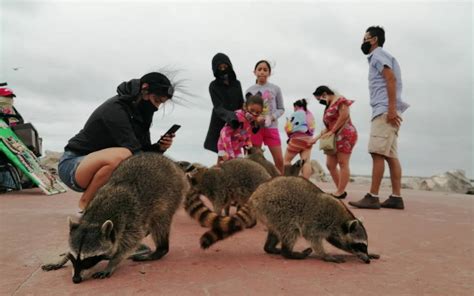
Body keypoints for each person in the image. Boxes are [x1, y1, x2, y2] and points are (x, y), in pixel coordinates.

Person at [58, 72, 176, 210]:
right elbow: (134, 151)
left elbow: (142, 152)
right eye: (156, 101)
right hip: (72, 165)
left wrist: (159, 148)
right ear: (144, 89)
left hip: (97, 167)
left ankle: (104, 204)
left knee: (129, 159)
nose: (156, 107)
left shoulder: (141, 114)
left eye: (160, 104)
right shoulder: (115, 109)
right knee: (124, 155)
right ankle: (86, 203)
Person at [349, 26, 409, 210]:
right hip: (388, 109)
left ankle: (373, 196)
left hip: (384, 110)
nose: (363, 41)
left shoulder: (377, 56)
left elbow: (390, 79)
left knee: (377, 153)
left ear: (373, 39)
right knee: (391, 155)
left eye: (365, 38)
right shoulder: (381, 56)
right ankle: (396, 197)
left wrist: (390, 109)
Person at [312, 86, 358, 199]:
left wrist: (332, 131)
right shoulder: (328, 106)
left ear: (324, 94)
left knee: (343, 162)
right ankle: (340, 190)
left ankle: (340, 191)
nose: (320, 102)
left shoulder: (340, 100)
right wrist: (316, 138)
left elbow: (344, 116)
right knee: (330, 164)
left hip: (345, 134)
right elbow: (328, 127)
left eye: (319, 99)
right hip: (333, 136)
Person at [204, 53, 245, 164]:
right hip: (220, 121)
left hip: (237, 123)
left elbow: (241, 102)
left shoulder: (237, 84)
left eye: (225, 67)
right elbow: (218, 107)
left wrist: (244, 117)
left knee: (236, 152)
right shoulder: (213, 86)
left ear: (229, 66)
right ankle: (219, 178)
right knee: (222, 155)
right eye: (220, 68)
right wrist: (231, 117)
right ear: (215, 69)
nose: (223, 70)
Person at [245, 60, 285, 174]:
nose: (262, 72)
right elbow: (246, 110)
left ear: (269, 73)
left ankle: (281, 184)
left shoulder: (276, 89)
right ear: (254, 72)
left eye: (265, 70)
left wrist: (271, 117)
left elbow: (281, 109)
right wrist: (253, 118)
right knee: (255, 161)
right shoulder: (249, 90)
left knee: (279, 160)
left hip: (271, 128)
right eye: (259, 69)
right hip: (255, 129)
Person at [217, 95, 264, 162]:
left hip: (236, 148)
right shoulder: (237, 117)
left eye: (257, 112)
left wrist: (249, 148)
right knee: (225, 166)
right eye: (252, 110)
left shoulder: (250, 122)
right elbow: (224, 133)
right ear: (245, 107)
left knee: (240, 165)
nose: (253, 114)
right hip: (225, 147)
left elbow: (246, 136)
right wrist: (230, 153)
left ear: (261, 112)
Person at [283, 99, 315, 179]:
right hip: (308, 139)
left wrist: (288, 133)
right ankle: (306, 182)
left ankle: (288, 179)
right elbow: (312, 128)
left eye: (294, 108)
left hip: (296, 139)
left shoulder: (296, 114)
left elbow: (288, 128)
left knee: (286, 161)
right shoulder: (310, 115)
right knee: (306, 162)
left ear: (296, 106)